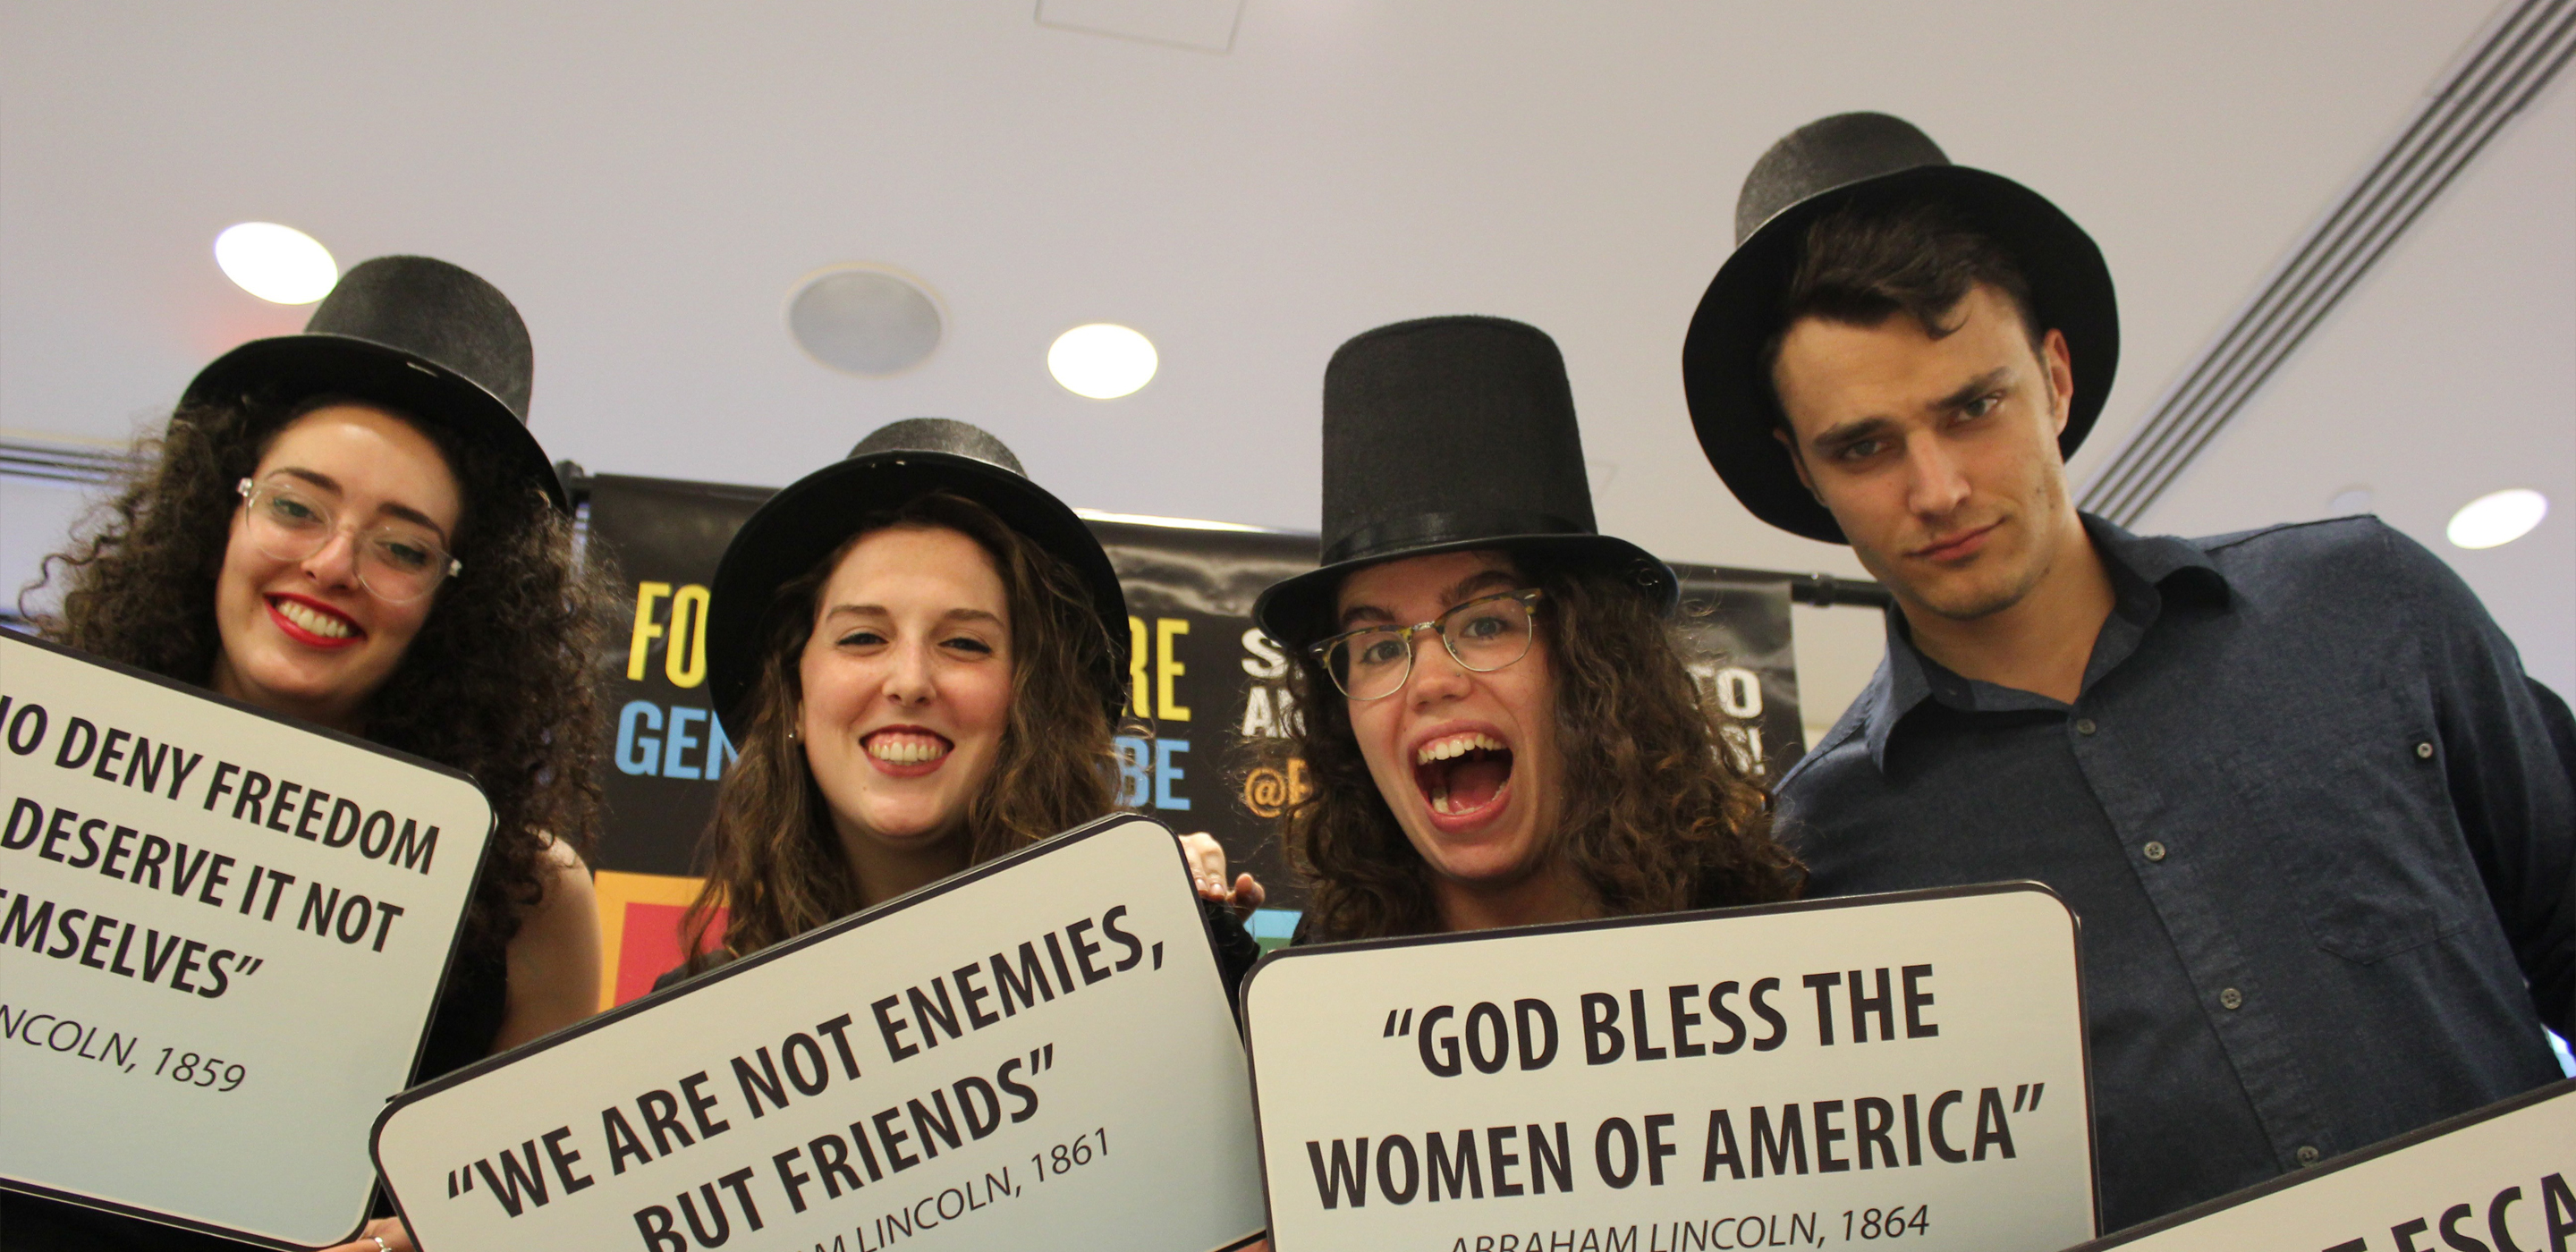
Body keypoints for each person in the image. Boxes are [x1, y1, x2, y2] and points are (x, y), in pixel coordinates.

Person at [1681, 112, 2574, 1231]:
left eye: (1974, 406)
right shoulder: (1820, 859)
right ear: (1802, 471)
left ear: (2053, 376)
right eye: (1864, 446)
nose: (1941, 485)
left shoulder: (2370, 607)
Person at [10, 257, 614, 1252]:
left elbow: (521, 1228)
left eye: (404, 546)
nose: (333, 565)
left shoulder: (531, 898)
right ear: (224, 511)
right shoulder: (28, 771)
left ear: (460, 598)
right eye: (296, 505)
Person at [1251, 316, 1802, 943]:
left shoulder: (1755, 943)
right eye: (1378, 647)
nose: (1430, 681)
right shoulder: (1320, 990)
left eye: (1486, 623)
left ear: (1593, 661)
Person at [665, 419, 1262, 986]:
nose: (910, 680)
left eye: (964, 644)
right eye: (863, 638)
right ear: (794, 697)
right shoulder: (692, 1030)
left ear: (1030, 701)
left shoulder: (1134, 958)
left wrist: (1189, 949)